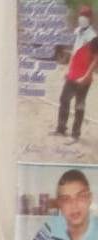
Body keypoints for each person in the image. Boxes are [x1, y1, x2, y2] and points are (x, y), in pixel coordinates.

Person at [56, 5, 98, 139]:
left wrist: (86, 76)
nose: (82, 18)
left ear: (90, 19)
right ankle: (61, 129)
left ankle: (75, 134)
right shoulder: (77, 32)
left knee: (79, 105)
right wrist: (68, 70)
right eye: (81, 15)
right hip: (72, 75)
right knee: (64, 99)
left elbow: (96, 59)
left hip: (83, 78)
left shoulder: (93, 37)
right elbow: (75, 53)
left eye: (85, 16)